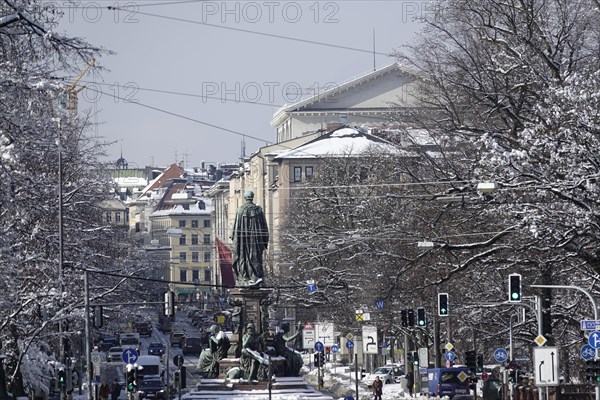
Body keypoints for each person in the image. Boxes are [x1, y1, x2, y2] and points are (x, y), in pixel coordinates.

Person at [230, 190, 269, 287]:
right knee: (255, 257)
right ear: (252, 197)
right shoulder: (258, 210)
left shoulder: (240, 210)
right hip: (256, 240)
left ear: (244, 198)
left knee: (243, 257)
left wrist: (235, 239)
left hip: (243, 241)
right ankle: (255, 276)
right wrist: (264, 239)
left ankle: (245, 277)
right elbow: (264, 227)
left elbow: (235, 228)